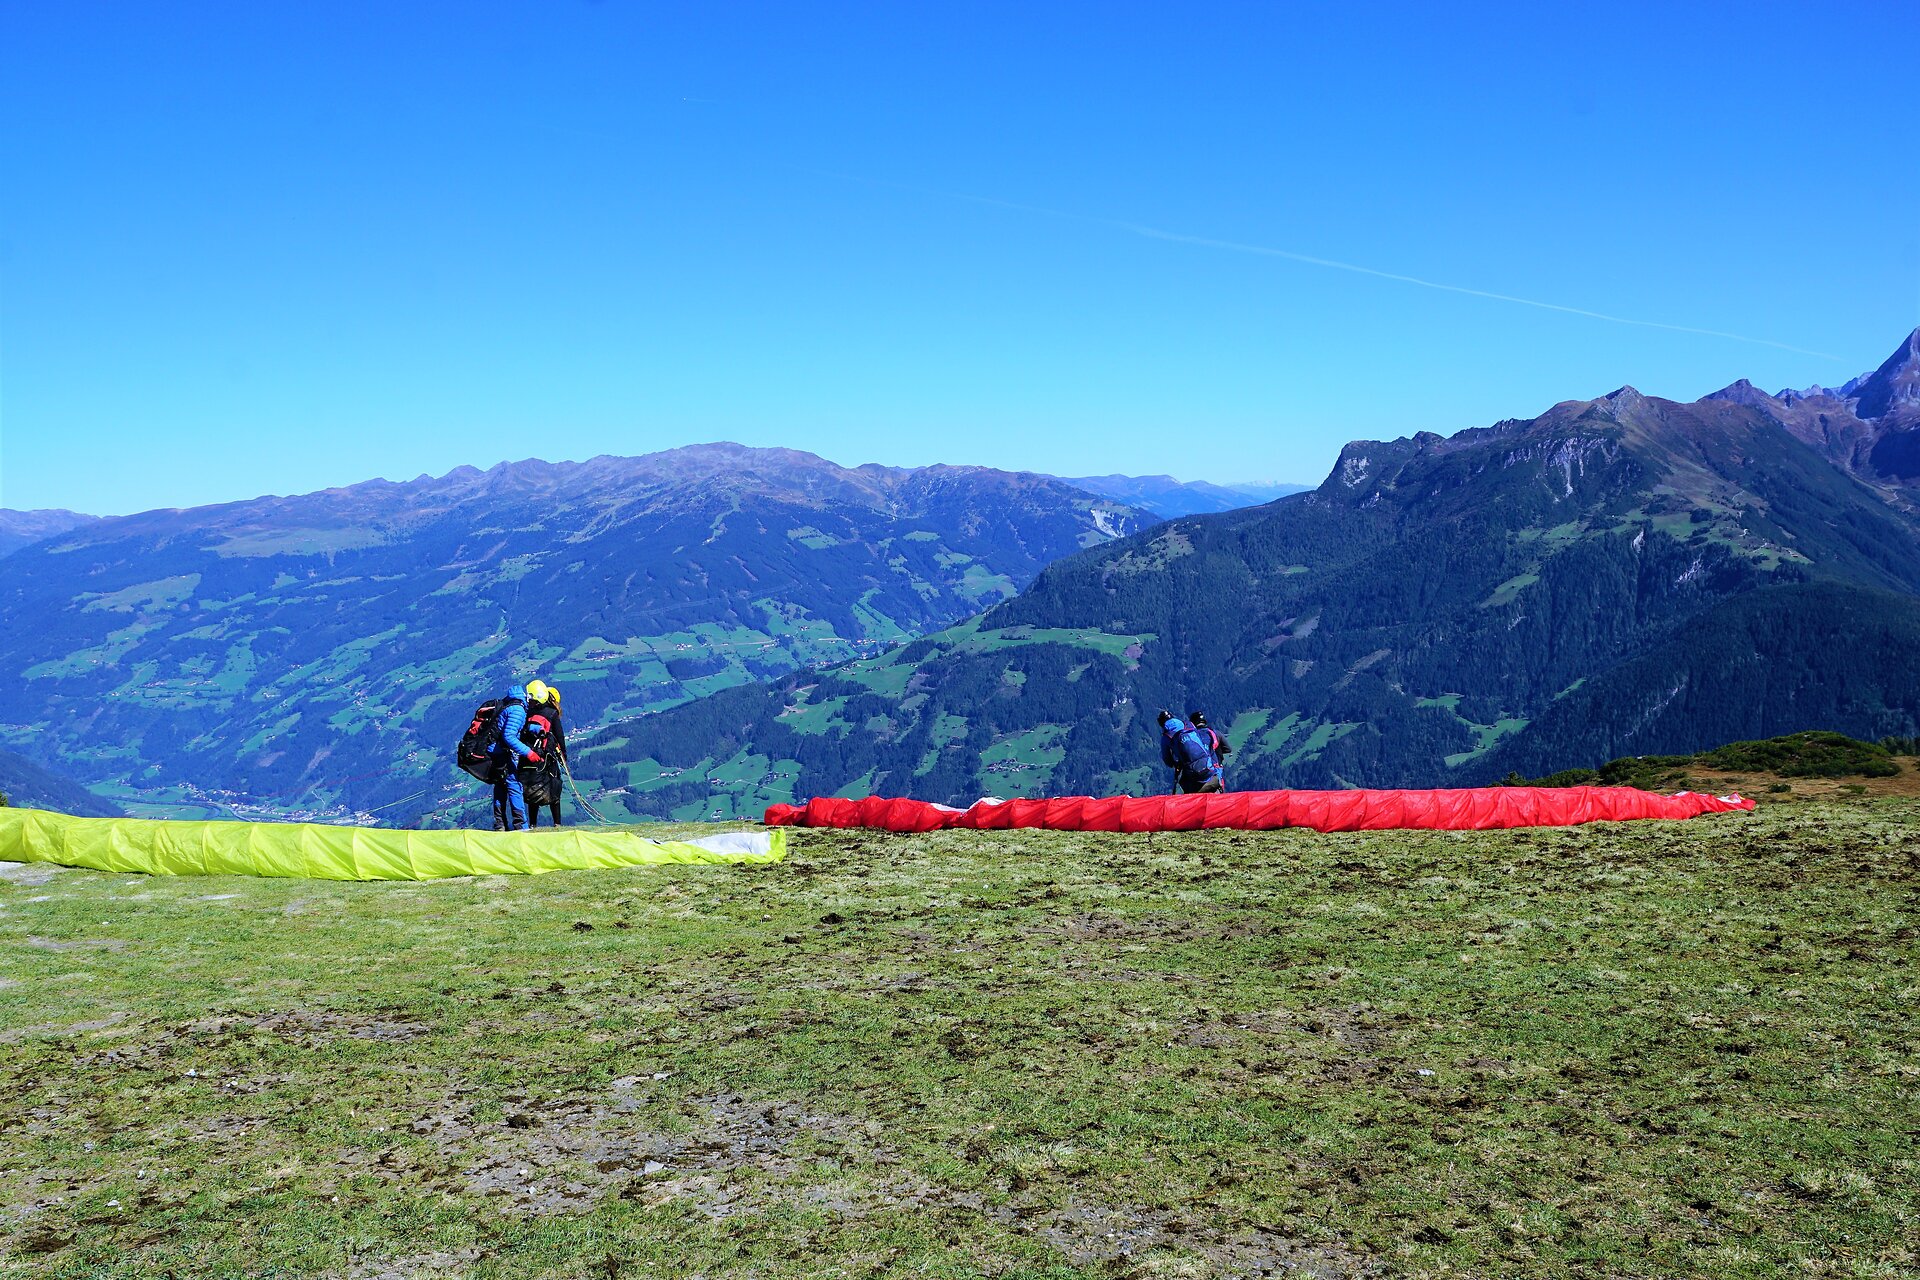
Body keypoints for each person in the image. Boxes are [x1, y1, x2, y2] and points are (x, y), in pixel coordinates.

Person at [489, 680, 542, 830]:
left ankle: (500, 825)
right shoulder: (519, 710)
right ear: (530, 698)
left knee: (500, 786)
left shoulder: (512, 703)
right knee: (514, 786)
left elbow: (513, 726)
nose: (535, 706)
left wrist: (534, 728)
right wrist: (529, 752)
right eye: (536, 703)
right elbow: (509, 736)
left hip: (494, 751)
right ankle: (521, 826)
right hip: (501, 752)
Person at [524, 680, 567, 828]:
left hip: (530, 756)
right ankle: (557, 823)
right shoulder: (552, 714)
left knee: (533, 787)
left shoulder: (529, 712)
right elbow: (559, 736)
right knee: (553, 786)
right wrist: (563, 757)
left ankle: (532, 824)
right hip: (548, 756)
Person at [1158, 710, 1225, 794]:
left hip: (1192, 771)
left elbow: (1168, 761)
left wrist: (1177, 762)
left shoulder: (1166, 737)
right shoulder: (1189, 725)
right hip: (1207, 765)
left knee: (1184, 783)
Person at [1188, 710, 1232, 785]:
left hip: (1196, 772)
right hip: (1215, 769)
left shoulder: (1191, 736)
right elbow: (1228, 749)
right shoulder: (1215, 733)